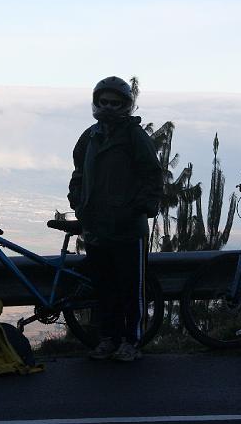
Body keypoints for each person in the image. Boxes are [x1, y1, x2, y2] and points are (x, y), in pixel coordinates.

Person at [67, 76, 163, 362]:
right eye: (104, 101)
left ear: (125, 105)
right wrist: (78, 202)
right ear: (96, 102)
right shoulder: (90, 136)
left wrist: (140, 208)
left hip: (128, 229)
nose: (109, 107)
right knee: (104, 289)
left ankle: (132, 342)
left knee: (130, 289)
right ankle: (108, 339)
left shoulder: (134, 136)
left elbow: (152, 174)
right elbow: (78, 173)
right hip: (97, 228)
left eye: (115, 102)